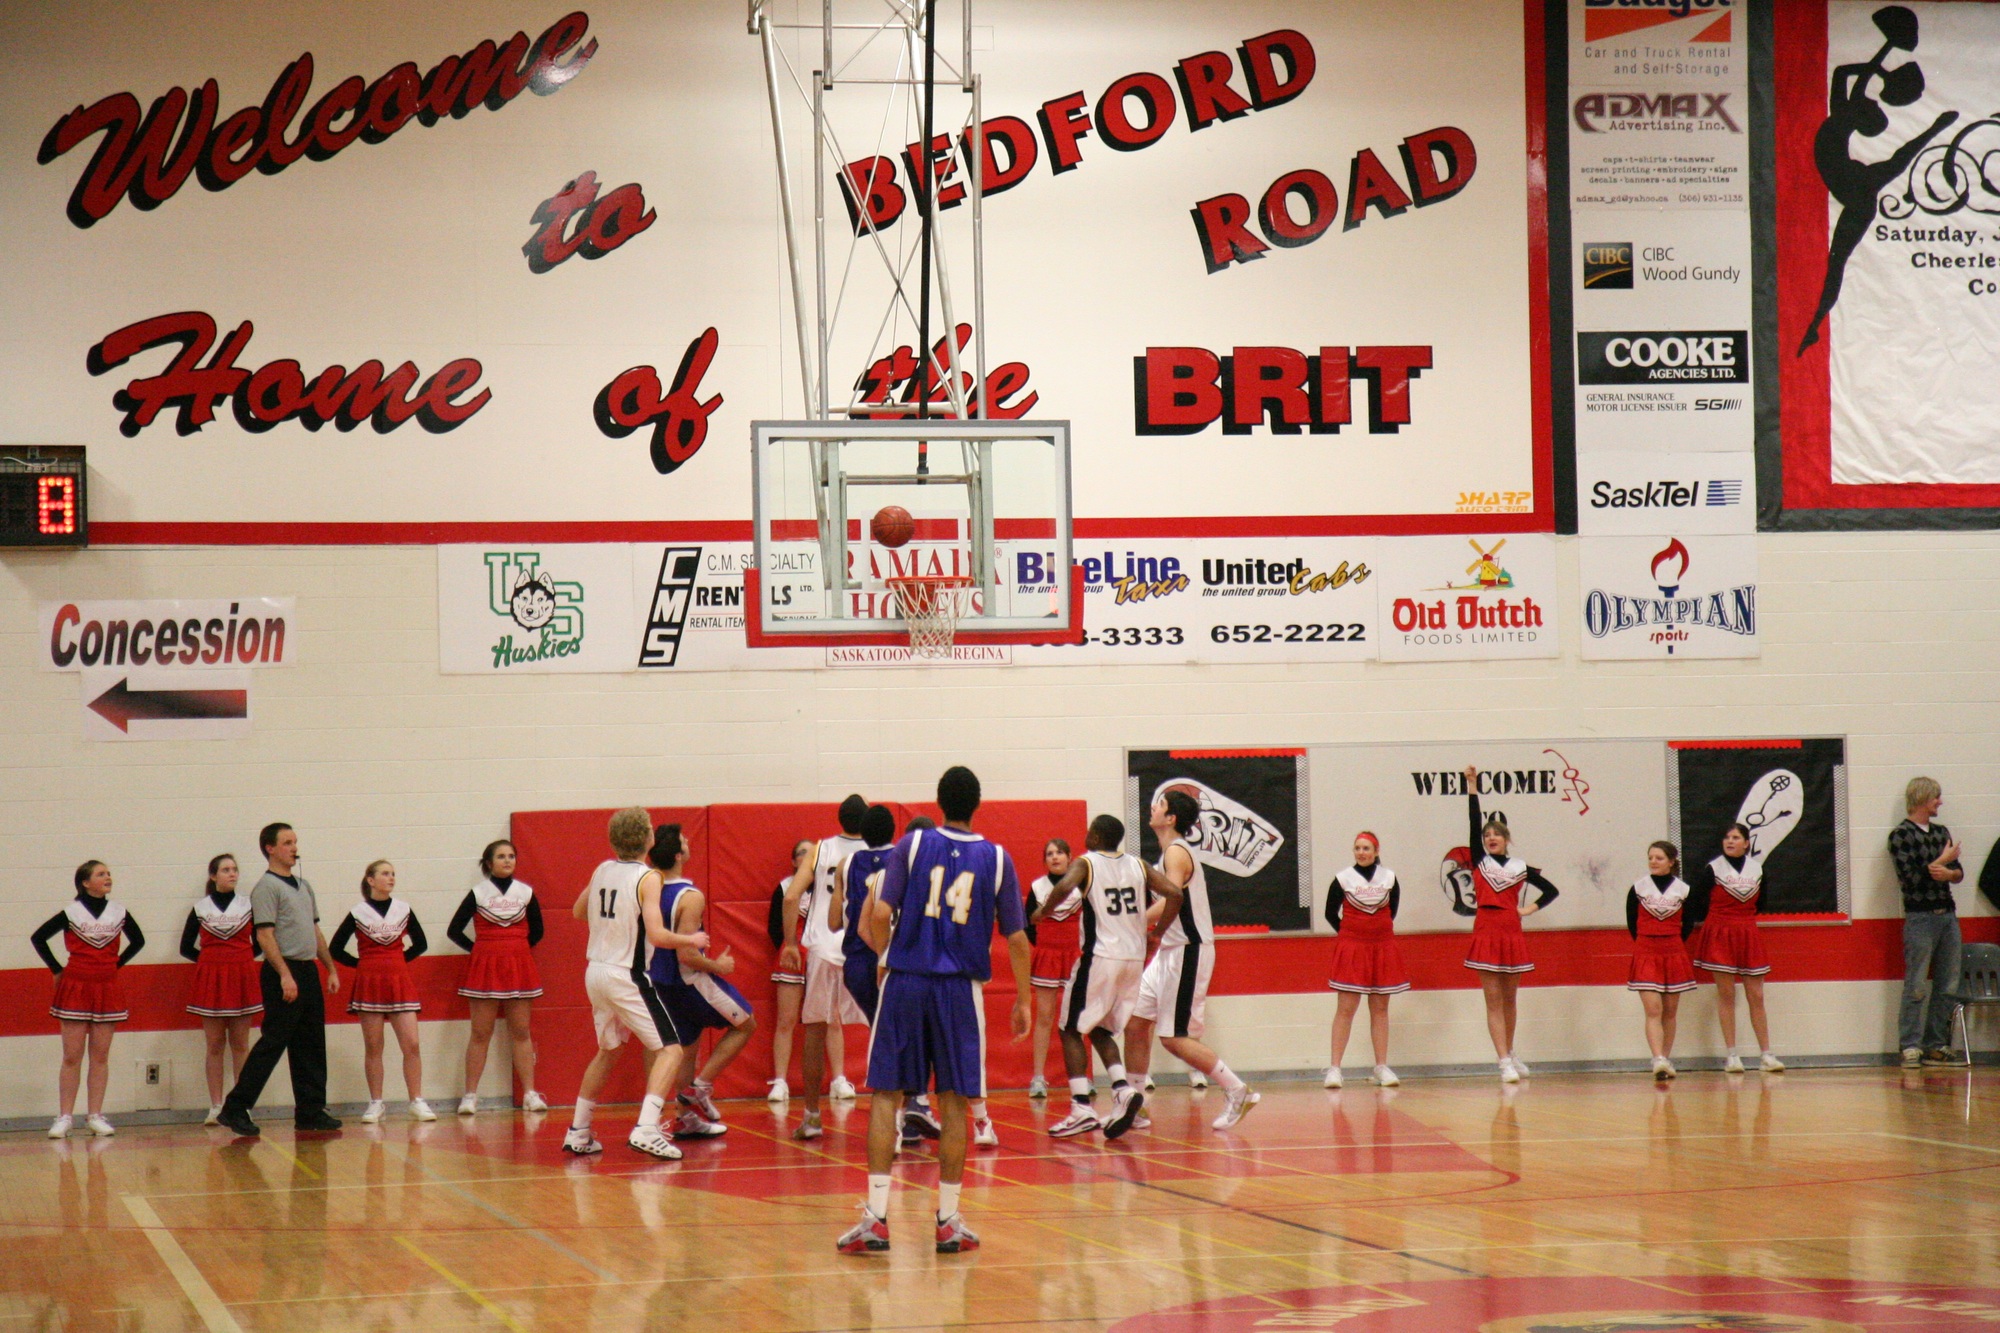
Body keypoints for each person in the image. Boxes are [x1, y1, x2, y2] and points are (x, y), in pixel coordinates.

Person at [835, 766, 1032, 1256]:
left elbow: (881, 913)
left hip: (905, 980)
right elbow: (1017, 938)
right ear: (977, 805)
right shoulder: (998, 858)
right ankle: (947, 1221)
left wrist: (885, 957)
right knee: (954, 1100)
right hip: (960, 990)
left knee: (887, 1094)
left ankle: (876, 1218)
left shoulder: (913, 844)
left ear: (939, 802)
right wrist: (1025, 999)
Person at [563, 808, 709, 1160]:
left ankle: (579, 1131)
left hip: (596, 971)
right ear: (648, 837)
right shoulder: (648, 878)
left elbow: (579, 912)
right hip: (626, 974)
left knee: (609, 1050)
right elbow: (657, 935)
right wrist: (691, 940)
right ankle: (646, 1128)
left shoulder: (602, 869)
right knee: (671, 1050)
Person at [1035, 814, 1181, 1140]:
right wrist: (1157, 933)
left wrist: (1043, 912)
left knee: (1070, 1029)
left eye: (1090, 831)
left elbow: (1064, 886)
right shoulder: (1139, 865)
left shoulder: (1087, 863)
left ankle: (1080, 1108)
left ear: (1098, 837)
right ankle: (1123, 1091)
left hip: (1101, 957)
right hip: (1133, 960)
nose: (1086, 835)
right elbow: (1175, 894)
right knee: (1100, 1029)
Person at [1127, 790, 1258, 1130]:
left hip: (1188, 949)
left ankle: (1237, 1090)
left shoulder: (1176, 851)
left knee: (1173, 1038)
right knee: (1136, 1023)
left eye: (1160, 804)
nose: (1153, 807)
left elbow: (1171, 900)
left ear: (1171, 818)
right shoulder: (1167, 854)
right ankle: (1133, 1105)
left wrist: (1134, 922)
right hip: (1168, 951)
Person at [217, 824, 343, 1137]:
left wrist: (330, 967)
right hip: (283, 972)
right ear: (270, 848)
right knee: (273, 1042)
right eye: (287, 842)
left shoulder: (304, 886)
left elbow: (314, 930)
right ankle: (235, 1107)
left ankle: (311, 1111)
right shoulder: (266, 887)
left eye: (295, 842)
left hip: (308, 970)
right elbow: (264, 935)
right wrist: (285, 974)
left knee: (311, 1043)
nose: (293, 847)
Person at [643, 824, 757, 1139]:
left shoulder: (647, 889)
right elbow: (687, 955)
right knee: (746, 1024)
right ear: (678, 855)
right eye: (684, 840)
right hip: (689, 980)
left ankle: (685, 1119)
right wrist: (718, 965)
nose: (688, 841)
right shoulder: (690, 896)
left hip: (660, 982)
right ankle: (700, 1089)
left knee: (687, 1048)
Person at [33, 860, 145, 1138]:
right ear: (85, 882)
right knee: (72, 1056)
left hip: (107, 987)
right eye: (100, 874)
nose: (108, 877)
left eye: (108, 873)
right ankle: (65, 1117)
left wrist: (115, 965)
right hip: (75, 986)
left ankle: (95, 1115)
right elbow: (39, 937)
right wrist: (57, 970)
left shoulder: (119, 912)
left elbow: (139, 941)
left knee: (100, 1056)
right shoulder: (72, 913)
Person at [1461, 767, 1559, 1083]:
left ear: (1507, 840)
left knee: (1510, 999)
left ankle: (1511, 1051)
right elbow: (1473, 821)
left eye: (1497, 834)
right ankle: (1502, 1060)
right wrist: (1472, 787)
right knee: (1492, 1000)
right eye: (1487, 835)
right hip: (1486, 929)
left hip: (1511, 931)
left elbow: (1552, 890)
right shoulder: (1480, 861)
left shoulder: (1519, 867)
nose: (1491, 838)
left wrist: (1528, 909)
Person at [780, 796, 870, 1141]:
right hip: (861, 947)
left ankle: (812, 1116)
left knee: (815, 1032)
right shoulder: (876, 850)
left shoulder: (820, 849)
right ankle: (897, 1118)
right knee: (883, 1030)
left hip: (821, 947)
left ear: (839, 818)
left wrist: (791, 942)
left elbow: (791, 897)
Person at [329, 860, 435, 1123]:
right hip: (370, 984)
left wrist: (397, 961)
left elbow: (421, 943)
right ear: (371, 880)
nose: (391, 878)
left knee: (412, 1044)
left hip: (400, 982)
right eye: (385, 874)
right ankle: (376, 1102)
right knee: (374, 1046)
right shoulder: (358, 912)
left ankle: (416, 1101)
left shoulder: (403, 909)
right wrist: (362, 964)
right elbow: (335, 948)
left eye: (393, 874)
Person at [448, 839, 547, 1114]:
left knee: (521, 1031)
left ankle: (530, 1094)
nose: (507, 861)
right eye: (501, 856)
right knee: (480, 1033)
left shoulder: (525, 892)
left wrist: (516, 950)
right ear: (489, 863)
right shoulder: (478, 893)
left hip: (519, 967)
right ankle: (470, 1096)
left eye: (511, 856)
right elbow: (454, 930)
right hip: (485, 969)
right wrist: (481, 950)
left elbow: (538, 931)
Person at [1686, 823, 1784, 1073]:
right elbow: (1696, 900)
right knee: (1727, 994)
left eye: (1736, 837)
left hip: (1747, 931)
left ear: (1746, 843)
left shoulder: (1757, 869)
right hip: (1720, 932)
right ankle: (1732, 1055)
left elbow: (1761, 903)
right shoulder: (1713, 868)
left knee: (1756, 995)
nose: (1730, 841)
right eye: (1727, 837)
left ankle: (1766, 1055)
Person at [180, 853, 262, 1125]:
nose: (232, 873)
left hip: (242, 977)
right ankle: (215, 1106)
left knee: (240, 1044)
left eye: (234, 869)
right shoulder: (201, 908)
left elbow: (261, 941)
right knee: (214, 1045)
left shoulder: (249, 905)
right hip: (211, 980)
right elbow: (185, 947)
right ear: (213, 876)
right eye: (225, 870)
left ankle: (241, 1105)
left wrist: (241, 960)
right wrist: (210, 963)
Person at [1888, 777, 1964, 1067]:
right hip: (1920, 917)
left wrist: (1949, 872)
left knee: (1948, 984)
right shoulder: (1900, 835)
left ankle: (1936, 1044)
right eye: (1936, 797)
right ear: (1922, 798)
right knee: (1917, 984)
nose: (1940, 802)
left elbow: (1958, 872)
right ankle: (1909, 1045)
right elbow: (1910, 878)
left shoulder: (1941, 832)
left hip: (1947, 915)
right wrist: (1941, 862)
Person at [1324, 832, 1408, 1089]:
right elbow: (1330, 913)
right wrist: (1350, 937)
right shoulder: (1343, 878)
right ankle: (1335, 1069)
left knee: (1380, 1009)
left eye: (1366, 848)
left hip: (1382, 947)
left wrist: (1374, 934)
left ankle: (1381, 1067)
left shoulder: (1389, 878)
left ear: (1376, 851)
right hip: (1352, 949)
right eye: (1358, 848)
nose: (1362, 852)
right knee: (1346, 1009)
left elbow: (1391, 912)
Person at [1627, 841, 1698, 1082]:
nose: (1653, 862)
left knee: (1670, 1011)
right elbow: (1632, 923)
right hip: (1646, 950)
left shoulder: (1683, 890)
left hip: (1674, 951)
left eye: (1658, 858)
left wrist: (1672, 942)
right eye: (1650, 857)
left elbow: (1688, 923)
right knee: (1653, 1010)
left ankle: (1665, 1060)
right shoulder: (1638, 888)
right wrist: (1647, 943)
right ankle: (1657, 1058)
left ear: (1671, 861)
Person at [1024, 838, 1079, 1099]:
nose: (1054, 857)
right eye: (1049, 854)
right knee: (1045, 1017)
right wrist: (1045, 947)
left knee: (1078, 1018)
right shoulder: (1038, 887)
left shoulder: (1082, 885)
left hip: (1076, 956)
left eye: (1059, 852)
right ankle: (1038, 1078)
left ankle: (1081, 1078)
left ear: (1070, 857)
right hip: (1048, 956)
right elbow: (1028, 925)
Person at [765, 838, 816, 1102]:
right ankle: (780, 1082)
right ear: (794, 861)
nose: (807, 857)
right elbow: (774, 928)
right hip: (792, 956)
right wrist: (789, 948)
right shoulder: (785, 887)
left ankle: (840, 1079)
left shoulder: (827, 886)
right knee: (786, 1020)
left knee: (831, 1021)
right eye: (802, 853)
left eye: (812, 853)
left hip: (820, 956)